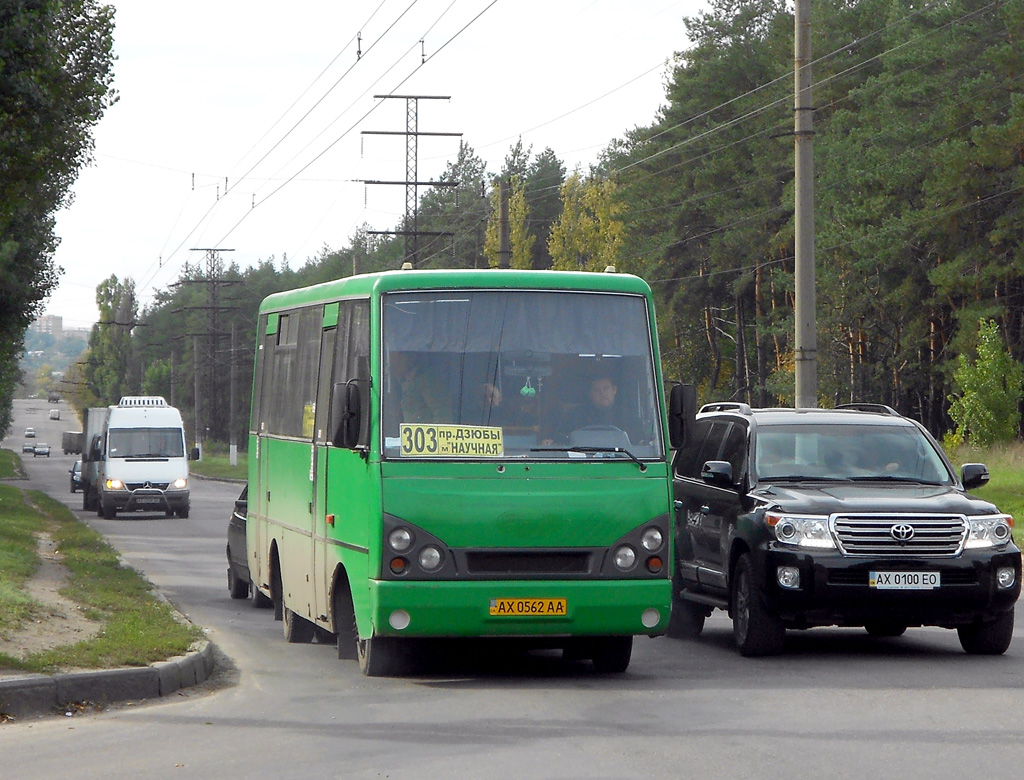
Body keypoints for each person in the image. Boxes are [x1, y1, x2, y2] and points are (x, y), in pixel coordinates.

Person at [390, 351, 450, 424]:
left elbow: (442, 416)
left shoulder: (426, 381)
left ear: (407, 357)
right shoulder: (395, 383)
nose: (392, 362)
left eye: (397, 357)